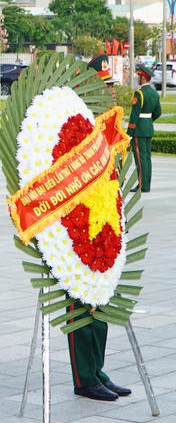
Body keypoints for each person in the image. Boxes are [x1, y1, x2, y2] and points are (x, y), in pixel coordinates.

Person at [65, 57, 133, 403]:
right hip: (79, 230)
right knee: (81, 304)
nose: (110, 92)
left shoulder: (105, 127)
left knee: (101, 301)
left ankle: (97, 370)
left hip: (104, 225)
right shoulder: (74, 127)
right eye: (104, 86)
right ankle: (84, 377)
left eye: (111, 86)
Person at [128, 63, 162, 193]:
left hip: (139, 130)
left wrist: (129, 132)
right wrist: (148, 121)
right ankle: (146, 184)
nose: (137, 78)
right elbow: (158, 112)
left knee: (140, 158)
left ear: (142, 77)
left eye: (138, 76)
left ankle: (142, 185)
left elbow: (134, 115)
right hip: (148, 128)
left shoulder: (139, 94)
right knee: (147, 157)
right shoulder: (154, 93)